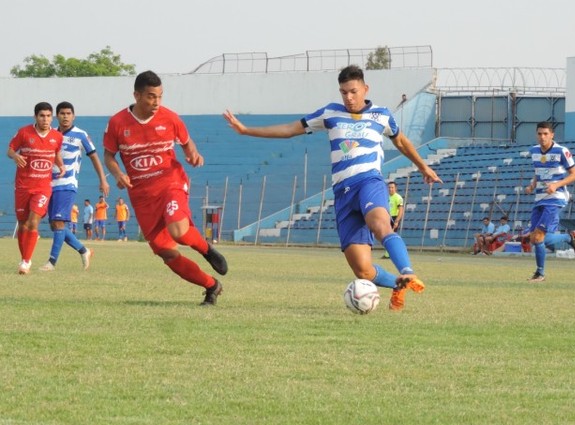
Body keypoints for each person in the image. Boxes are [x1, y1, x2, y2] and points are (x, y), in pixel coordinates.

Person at [223, 65, 441, 311]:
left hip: (369, 181)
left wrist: (423, 166)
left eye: (353, 91)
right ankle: (399, 285)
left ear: (365, 89)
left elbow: (401, 141)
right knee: (363, 270)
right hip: (343, 194)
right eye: (343, 92)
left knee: (380, 224)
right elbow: (289, 130)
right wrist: (246, 130)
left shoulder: (382, 115)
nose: (348, 97)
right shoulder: (330, 113)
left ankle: (407, 271)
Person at [103, 70, 228, 305]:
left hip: (170, 182)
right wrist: (118, 173)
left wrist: (193, 153)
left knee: (178, 232)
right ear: (137, 95)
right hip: (142, 196)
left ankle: (206, 250)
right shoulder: (117, 123)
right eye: (151, 96)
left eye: (160, 96)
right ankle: (211, 286)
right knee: (166, 252)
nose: (156, 102)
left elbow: (186, 142)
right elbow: (109, 155)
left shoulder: (170, 118)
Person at [39, 101, 110, 272]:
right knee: (55, 226)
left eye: (68, 113)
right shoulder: (51, 134)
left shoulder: (81, 135)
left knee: (58, 222)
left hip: (67, 184)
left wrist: (103, 179)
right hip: (49, 184)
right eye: (62, 113)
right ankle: (84, 250)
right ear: (57, 116)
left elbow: (94, 157)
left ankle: (51, 262)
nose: (65, 116)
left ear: (73, 116)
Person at [7, 102, 65, 274]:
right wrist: (15, 156)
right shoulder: (24, 133)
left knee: (33, 222)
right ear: (35, 117)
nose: (45, 119)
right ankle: (25, 258)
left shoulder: (57, 136)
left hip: (43, 187)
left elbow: (55, 153)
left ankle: (26, 262)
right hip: (23, 186)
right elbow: (9, 150)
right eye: (42, 116)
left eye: (48, 116)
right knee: (23, 224)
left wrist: (61, 166)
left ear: (52, 117)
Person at [524, 121, 575, 282]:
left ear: (552, 135)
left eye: (545, 134)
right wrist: (532, 185)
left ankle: (540, 273)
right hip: (540, 198)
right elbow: (538, 172)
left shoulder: (562, 151)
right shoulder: (534, 151)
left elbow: (574, 174)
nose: (542, 137)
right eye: (539, 134)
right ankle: (568, 238)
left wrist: (556, 185)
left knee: (539, 236)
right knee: (535, 238)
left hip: (556, 198)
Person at [382, 181, 404, 259]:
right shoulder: (386, 197)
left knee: (390, 236)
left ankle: (388, 254)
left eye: (392, 187)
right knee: (386, 236)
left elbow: (401, 210)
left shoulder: (398, 197)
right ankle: (390, 253)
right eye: (389, 187)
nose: (390, 189)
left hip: (393, 218)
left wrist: (397, 221)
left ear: (395, 188)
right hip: (386, 217)